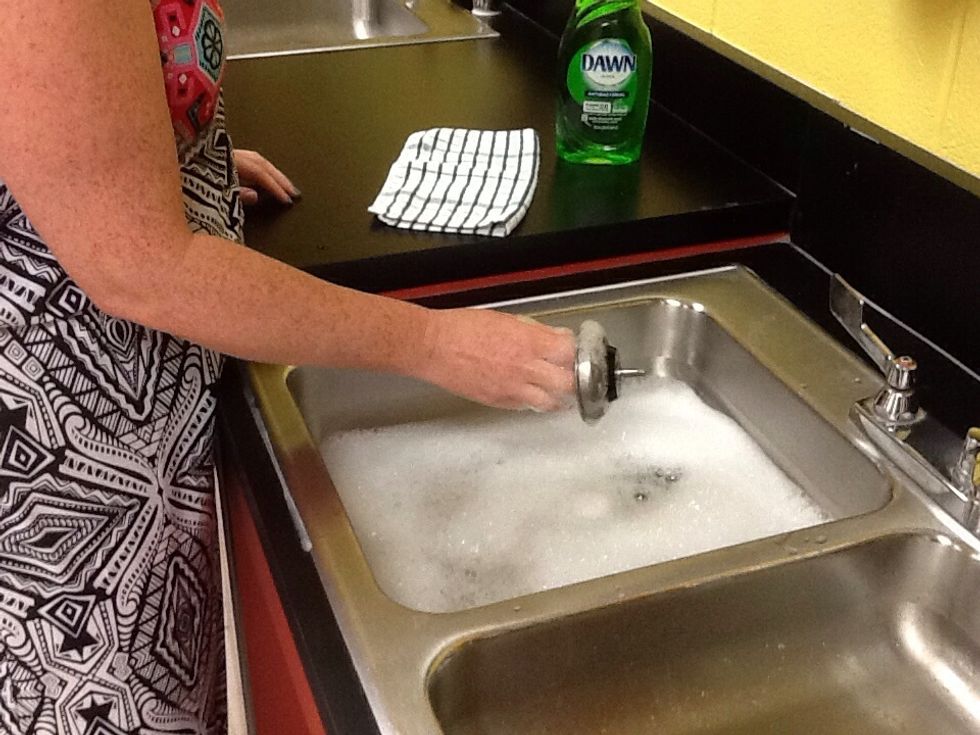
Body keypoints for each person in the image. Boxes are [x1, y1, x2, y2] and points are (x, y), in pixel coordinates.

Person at [0, 0, 575, 731]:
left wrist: (156, 159)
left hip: (136, 415)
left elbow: (62, 112)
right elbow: (141, 270)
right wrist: (437, 345)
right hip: (69, 448)